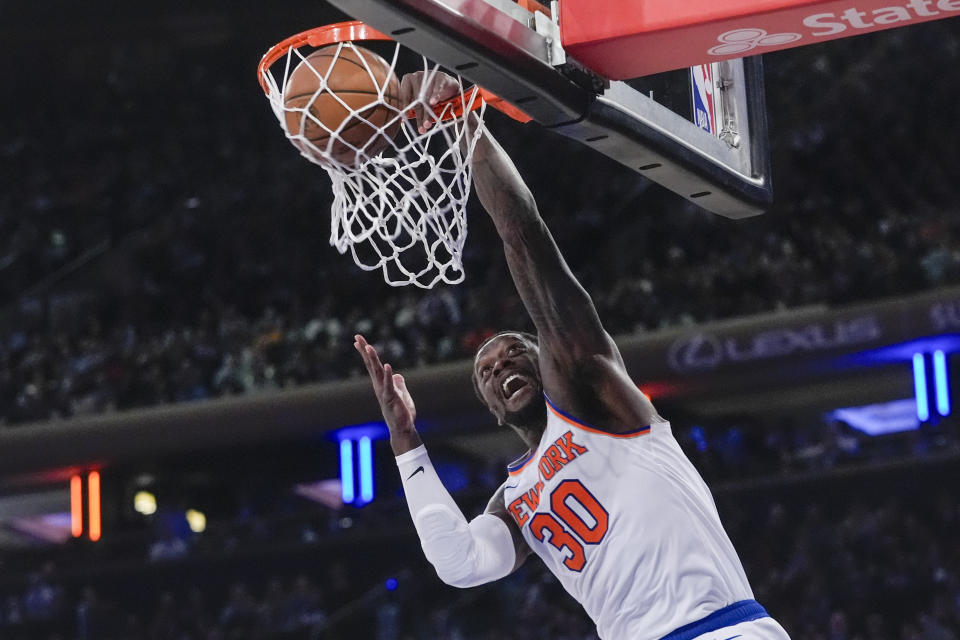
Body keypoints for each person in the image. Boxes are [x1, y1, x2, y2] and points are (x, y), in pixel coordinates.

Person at [354, 71, 791, 640]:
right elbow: (458, 563)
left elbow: (523, 234)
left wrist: (463, 125)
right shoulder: (514, 498)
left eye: (514, 354)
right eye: (486, 372)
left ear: (548, 359)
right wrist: (407, 444)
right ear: (491, 410)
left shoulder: (591, 393)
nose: (500, 366)